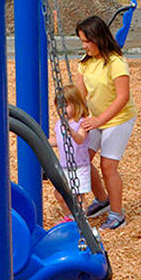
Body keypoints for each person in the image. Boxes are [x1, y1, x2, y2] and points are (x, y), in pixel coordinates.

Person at [72, 15, 136, 230]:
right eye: (82, 41)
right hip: (97, 119)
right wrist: (73, 114)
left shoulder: (116, 62)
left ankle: (118, 214)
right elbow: (80, 92)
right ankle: (102, 200)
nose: (84, 46)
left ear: (98, 38)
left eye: (87, 41)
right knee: (82, 157)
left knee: (108, 166)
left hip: (118, 118)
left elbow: (122, 97)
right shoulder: (86, 61)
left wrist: (100, 119)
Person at [52, 84, 92, 219]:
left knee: (79, 196)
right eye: (59, 106)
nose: (62, 109)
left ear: (76, 104)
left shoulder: (82, 123)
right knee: (59, 194)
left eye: (66, 105)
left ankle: (82, 220)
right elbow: (59, 141)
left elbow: (80, 139)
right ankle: (70, 216)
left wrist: (71, 131)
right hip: (65, 167)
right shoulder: (59, 124)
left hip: (80, 166)